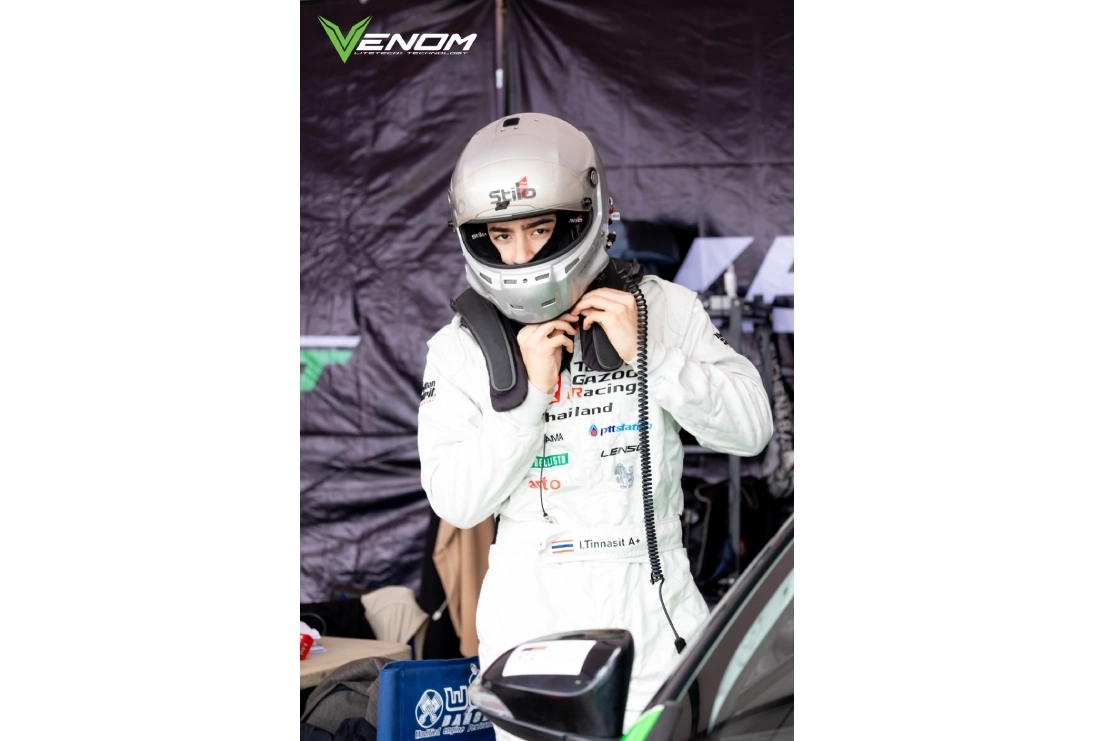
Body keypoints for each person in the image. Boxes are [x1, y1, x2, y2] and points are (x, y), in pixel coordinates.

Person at [417, 113, 773, 732]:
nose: (520, 254)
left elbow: (751, 430)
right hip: (529, 630)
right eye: (500, 235)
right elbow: (457, 503)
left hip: (653, 621)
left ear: (585, 216)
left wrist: (652, 357)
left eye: (539, 228)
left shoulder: (663, 309)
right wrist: (526, 398)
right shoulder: (459, 348)